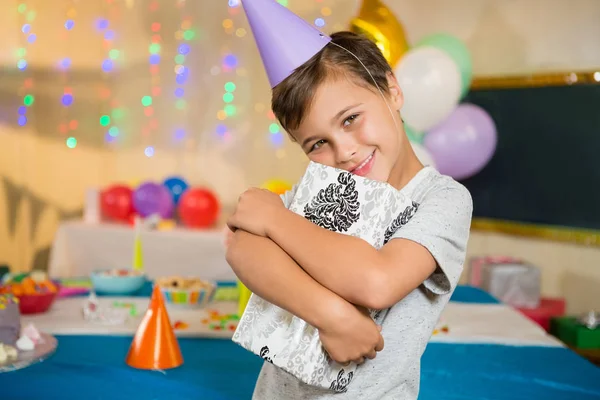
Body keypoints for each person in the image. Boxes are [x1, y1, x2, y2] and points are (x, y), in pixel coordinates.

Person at [225, 2, 473, 399]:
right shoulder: (324, 189)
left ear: (392, 90)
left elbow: (377, 282)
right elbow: (241, 245)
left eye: (350, 119)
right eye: (318, 143)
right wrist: (332, 315)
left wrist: (275, 220)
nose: (344, 152)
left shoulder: (442, 199)